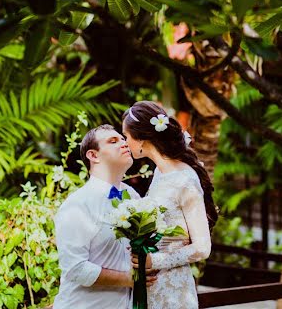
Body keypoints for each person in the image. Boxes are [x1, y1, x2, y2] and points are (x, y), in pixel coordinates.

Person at [122, 101, 217, 309]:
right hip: (149, 286)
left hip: (174, 291)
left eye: (126, 137)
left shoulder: (184, 179)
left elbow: (202, 248)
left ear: (141, 139)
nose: (125, 143)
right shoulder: (159, 172)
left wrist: (153, 261)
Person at [53, 124, 143, 308]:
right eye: (113, 141)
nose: (124, 143)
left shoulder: (133, 196)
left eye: (123, 139)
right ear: (93, 156)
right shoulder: (77, 205)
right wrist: (131, 279)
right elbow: (76, 268)